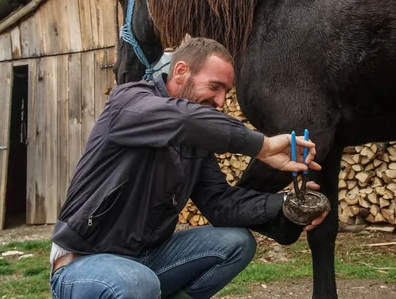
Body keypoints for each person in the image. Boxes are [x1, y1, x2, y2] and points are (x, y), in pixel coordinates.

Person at [49, 37, 327, 299]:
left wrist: (287, 204)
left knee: (236, 243)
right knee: (135, 282)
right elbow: (183, 120)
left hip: (146, 258)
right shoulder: (129, 102)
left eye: (226, 92)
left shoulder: (197, 141)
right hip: (83, 261)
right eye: (215, 87)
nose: (220, 102)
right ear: (181, 72)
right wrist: (263, 146)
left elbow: (220, 202)